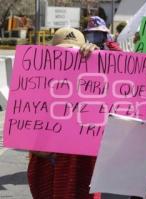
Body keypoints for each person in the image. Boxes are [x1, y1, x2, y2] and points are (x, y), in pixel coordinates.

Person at [27, 27, 100, 199]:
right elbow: (27, 131)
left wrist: (99, 60)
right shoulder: (38, 82)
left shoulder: (95, 81)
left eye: (74, 54)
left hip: (83, 169)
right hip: (46, 171)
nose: (67, 60)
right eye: (62, 54)